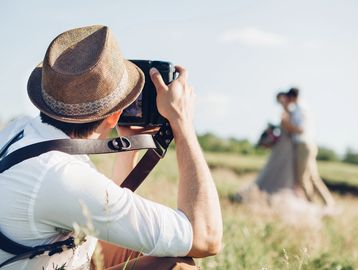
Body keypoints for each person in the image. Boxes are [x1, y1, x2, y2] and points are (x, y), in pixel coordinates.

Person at [0, 25, 222, 269]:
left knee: (130, 242)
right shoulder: (59, 175)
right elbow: (206, 237)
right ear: (113, 116)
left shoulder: (20, 131)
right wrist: (183, 123)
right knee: (178, 264)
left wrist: (129, 147)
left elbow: (102, 204)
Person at [282, 88, 335, 206]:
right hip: (307, 145)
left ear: (292, 97)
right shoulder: (299, 108)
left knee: (302, 178)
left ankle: (311, 204)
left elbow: (301, 130)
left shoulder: (301, 109)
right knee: (312, 177)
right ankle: (328, 203)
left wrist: (287, 126)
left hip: (303, 146)